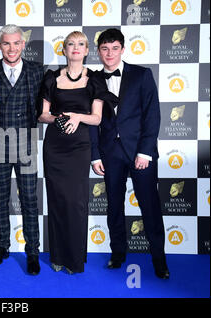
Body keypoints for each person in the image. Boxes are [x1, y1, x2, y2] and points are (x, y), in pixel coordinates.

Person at [90, 28, 170, 279]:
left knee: (150, 207)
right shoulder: (91, 79)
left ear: (123, 49)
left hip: (140, 153)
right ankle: (117, 254)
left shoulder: (142, 74)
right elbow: (92, 121)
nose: (109, 53)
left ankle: (159, 259)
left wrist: (145, 152)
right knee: (114, 206)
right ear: (99, 51)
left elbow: (152, 114)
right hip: (110, 154)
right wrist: (95, 154)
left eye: (114, 48)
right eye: (104, 48)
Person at [39, 31, 113, 274]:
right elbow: (42, 114)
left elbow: (97, 118)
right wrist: (58, 118)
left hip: (80, 146)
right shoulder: (51, 78)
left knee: (77, 202)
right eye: (71, 44)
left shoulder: (95, 80)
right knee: (57, 200)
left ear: (87, 49)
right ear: (64, 50)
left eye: (80, 44)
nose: (75, 48)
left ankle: (75, 258)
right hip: (55, 145)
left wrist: (77, 116)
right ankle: (58, 256)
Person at [0, 25, 43, 275]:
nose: (12, 48)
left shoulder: (38, 71)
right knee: (0, 199)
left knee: (29, 199)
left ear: (23, 44)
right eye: (6, 43)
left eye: (16, 43)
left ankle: (33, 252)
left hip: (27, 142)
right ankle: (2, 247)